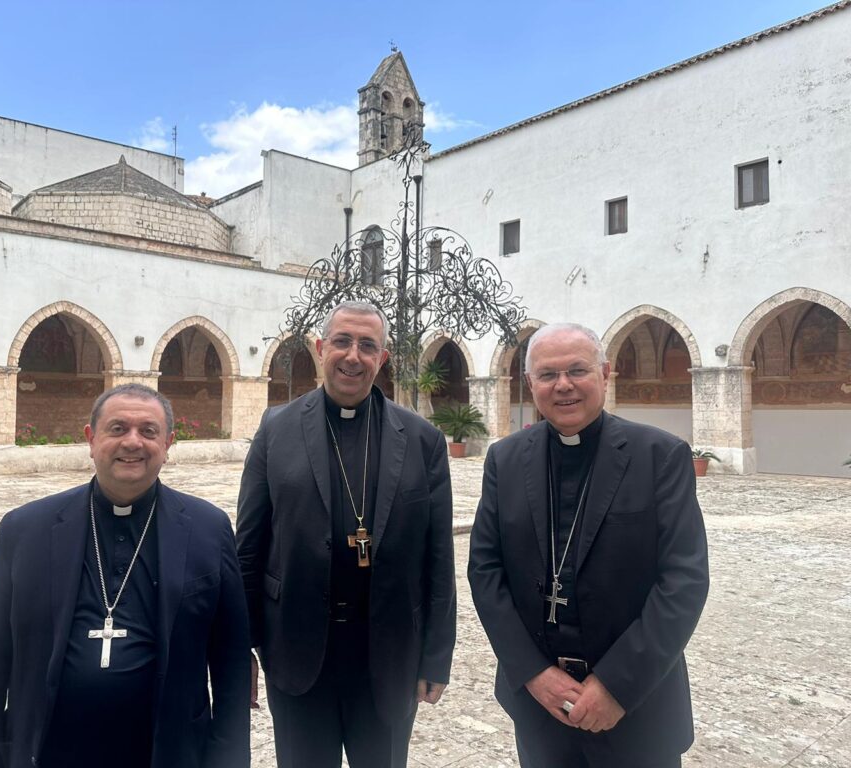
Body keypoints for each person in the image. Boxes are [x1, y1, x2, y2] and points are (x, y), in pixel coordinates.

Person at [0, 384, 250, 768]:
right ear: (91, 440)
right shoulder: (24, 529)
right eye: (117, 429)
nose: (133, 442)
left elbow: (231, 661)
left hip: (168, 751)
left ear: (168, 444)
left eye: (148, 431)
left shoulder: (209, 527)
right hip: (50, 750)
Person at [468, 322, 709, 768]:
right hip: (539, 707)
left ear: (604, 373)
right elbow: (485, 571)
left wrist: (616, 685)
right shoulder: (505, 459)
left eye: (577, 370)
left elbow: (684, 580)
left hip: (637, 708)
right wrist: (534, 675)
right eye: (547, 375)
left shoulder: (660, 456)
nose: (563, 386)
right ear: (529, 383)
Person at [236, 301, 456, 768]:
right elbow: (249, 548)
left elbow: (438, 557)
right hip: (296, 651)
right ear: (320, 348)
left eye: (367, 345)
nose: (353, 356)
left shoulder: (422, 440)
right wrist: (244, 647)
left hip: (389, 656)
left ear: (384, 357)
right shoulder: (276, 429)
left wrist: (436, 656)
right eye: (342, 341)